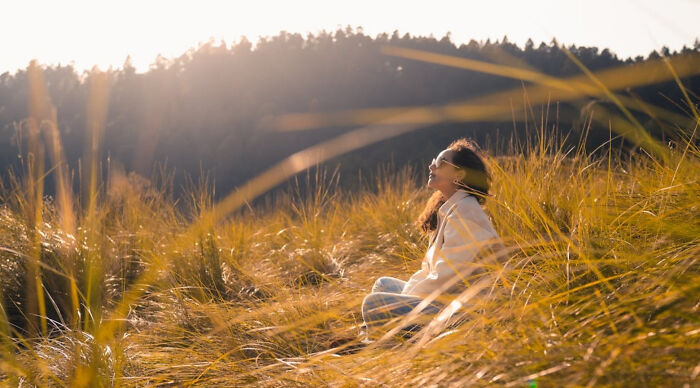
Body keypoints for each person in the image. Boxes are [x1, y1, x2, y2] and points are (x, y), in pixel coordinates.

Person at [360, 138, 501, 339]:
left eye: (441, 163)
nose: (431, 165)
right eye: (435, 160)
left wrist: (409, 297)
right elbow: (430, 271)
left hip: (459, 312)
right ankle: (369, 338)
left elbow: (449, 276)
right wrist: (408, 294)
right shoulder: (451, 208)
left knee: (373, 303)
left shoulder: (466, 212)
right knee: (383, 285)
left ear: (459, 175)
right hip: (443, 300)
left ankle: (374, 342)